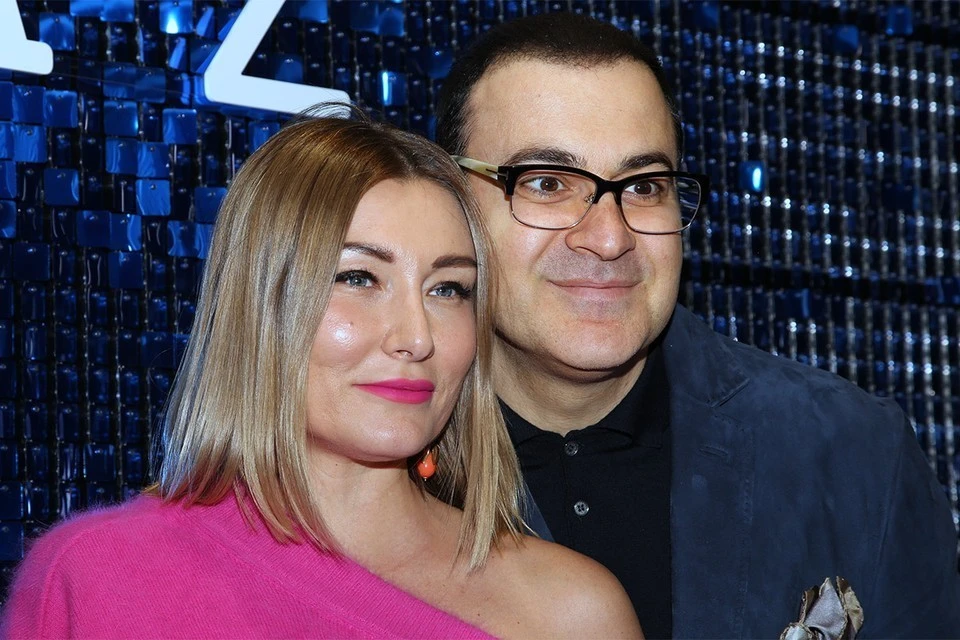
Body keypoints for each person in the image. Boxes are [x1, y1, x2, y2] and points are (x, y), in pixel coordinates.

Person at [1, 112, 643, 639]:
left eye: (448, 289)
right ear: (260, 304)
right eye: (358, 278)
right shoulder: (96, 577)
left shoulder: (571, 613)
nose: (417, 337)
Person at [436, 12, 960, 639]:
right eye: (547, 183)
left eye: (644, 186)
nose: (609, 237)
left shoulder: (855, 454)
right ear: (450, 201)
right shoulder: (374, 465)